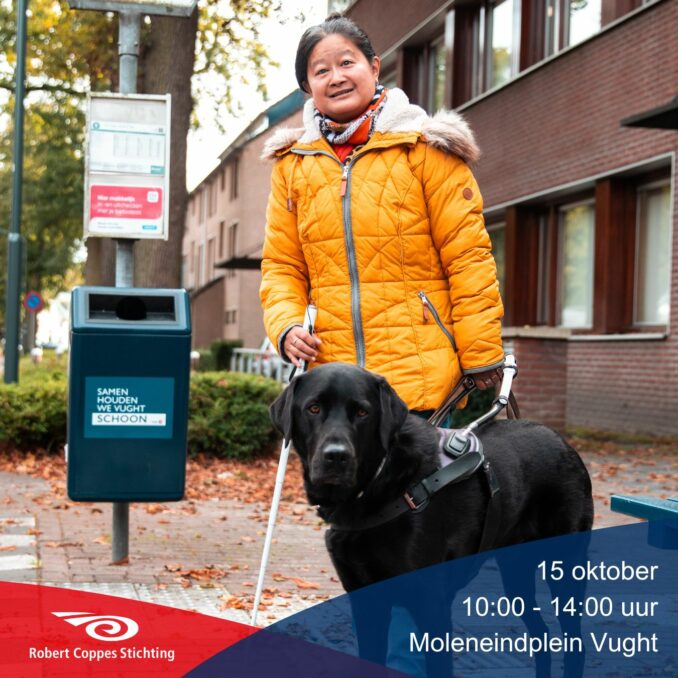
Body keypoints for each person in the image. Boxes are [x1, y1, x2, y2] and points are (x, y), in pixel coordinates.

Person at [260, 12, 504, 419]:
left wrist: (481, 352)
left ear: (374, 67)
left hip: (421, 378)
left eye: (346, 62)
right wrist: (286, 328)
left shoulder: (425, 152)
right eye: (321, 70)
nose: (336, 76)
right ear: (307, 87)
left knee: (423, 485)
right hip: (333, 384)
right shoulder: (292, 168)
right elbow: (282, 266)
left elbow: (468, 258)